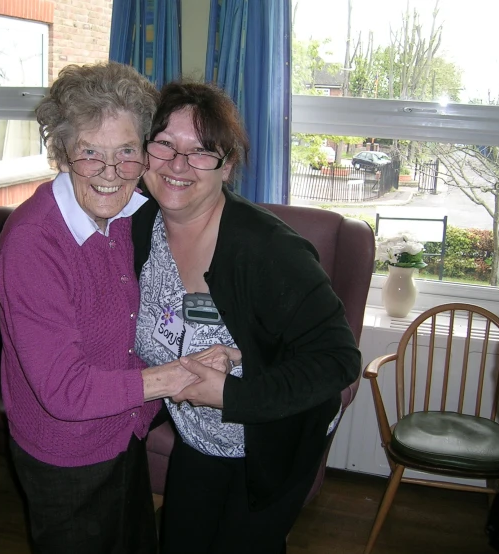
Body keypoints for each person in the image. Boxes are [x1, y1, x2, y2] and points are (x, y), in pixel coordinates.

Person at [0, 63, 233, 554]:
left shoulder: (138, 215)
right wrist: (178, 376)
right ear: (62, 153)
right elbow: (65, 390)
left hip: (126, 431)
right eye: (90, 154)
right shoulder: (33, 244)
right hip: (65, 455)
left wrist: (227, 345)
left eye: (126, 153)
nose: (110, 173)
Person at [132, 82, 361, 554]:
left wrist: (232, 394)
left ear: (227, 165)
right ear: (145, 152)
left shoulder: (268, 250)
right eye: (165, 144)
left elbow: (339, 361)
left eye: (201, 152)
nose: (178, 164)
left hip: (270, 442)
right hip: (196, 437)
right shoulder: (139, 229)